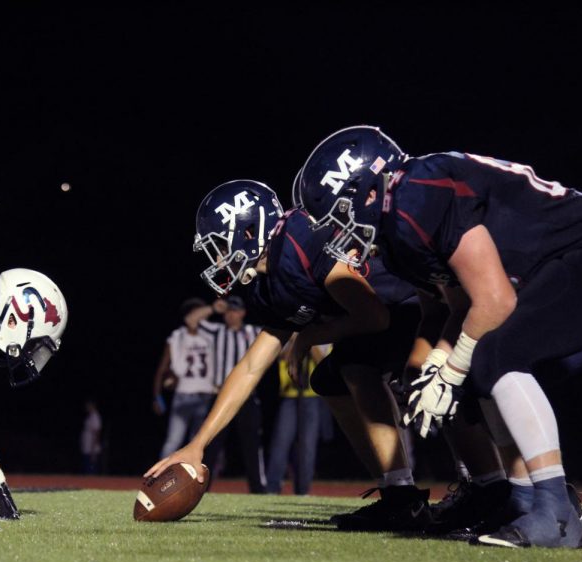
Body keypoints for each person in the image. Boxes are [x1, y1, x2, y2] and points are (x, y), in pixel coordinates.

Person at [293, 125, 582, 549]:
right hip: (556, 264)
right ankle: (524, 498)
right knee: (480, 366)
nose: (340, 233)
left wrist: (451, 368)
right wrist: (437, 362)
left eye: (340, 215)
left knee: (495, 356)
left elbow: (494, 301)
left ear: (366, 191)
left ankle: (555, 508)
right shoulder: (399, 226)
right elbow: (456, 307)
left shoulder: (416, 193)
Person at [147, 179, 435, 532]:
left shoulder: (300, 236)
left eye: (221, 244)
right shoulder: (268, 284)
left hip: (417, 303)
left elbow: (374, 315)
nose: (219, 257)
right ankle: (397, 492)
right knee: (330, 378)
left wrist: (309, 335)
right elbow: (252, 366)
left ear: (249, 232)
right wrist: (197, 446)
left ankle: (415, 495)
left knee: (355, 367)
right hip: (387, 314)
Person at [190, 295, 267, 493]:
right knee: (211, 444)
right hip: (219, 395)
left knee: (252, 445)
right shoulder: (217, 331)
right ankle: (202, 486)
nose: (231, 315)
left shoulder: (253, 332)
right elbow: (191, 320)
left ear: (242, 312)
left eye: (235, 311)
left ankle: (258, 489)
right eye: (228, 311)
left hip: (247, 397)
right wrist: (212, 308)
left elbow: (282, 335)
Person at [151, 298, 217, 459]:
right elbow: (162, 369)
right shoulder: (177, 336)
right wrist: (157, 396)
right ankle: (160, 479)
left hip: (207, 394)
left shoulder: (212, 334)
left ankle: (195, 481)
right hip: (183, 394)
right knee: (174, 440)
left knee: (200, 443)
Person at [266, 342, 330, 495]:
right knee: (281, 443)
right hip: (289, 396)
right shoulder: (290, 335)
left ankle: (303, 491)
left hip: (312, 397)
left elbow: (324, 364)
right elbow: (283, 357)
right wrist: (297, 340)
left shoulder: (324, 336)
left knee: (307, 447)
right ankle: (272, 489)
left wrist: (309, 340)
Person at [80, 399, 102, 474]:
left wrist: (93, 451)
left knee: (91, 472)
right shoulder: (90, 417)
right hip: (87, 449)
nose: (86, 407)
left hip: (91, 450)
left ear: (92, 405)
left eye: (88, 405)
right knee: (86, 471)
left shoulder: (95, 416)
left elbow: (96, 433)